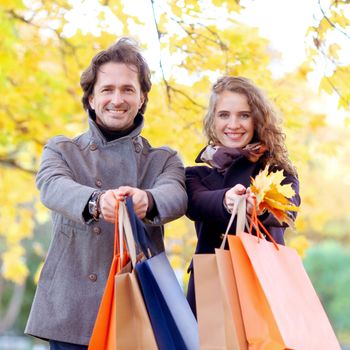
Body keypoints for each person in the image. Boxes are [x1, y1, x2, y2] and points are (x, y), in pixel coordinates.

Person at [25, 37, 187, 349]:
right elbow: (52, 186)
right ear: (90, 98)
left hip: (140, 309)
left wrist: (147, 200)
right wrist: (97, 201)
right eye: (107, 89)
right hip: (73, 312)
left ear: (142, 98)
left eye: (128, 89)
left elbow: (176, 195)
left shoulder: (163, 158)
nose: (118, 98)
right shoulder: (62, 150)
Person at [185, 76, 300, 315]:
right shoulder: (195, 175)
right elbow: (196, 204)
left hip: (265, 286)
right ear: (212, 120)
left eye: (244, 115)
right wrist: (227, 200)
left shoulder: (278, 171)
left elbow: (288, 211)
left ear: (257, 120)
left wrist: (257, 208)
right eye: (224, 115)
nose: (234, 124)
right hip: (212, 289)